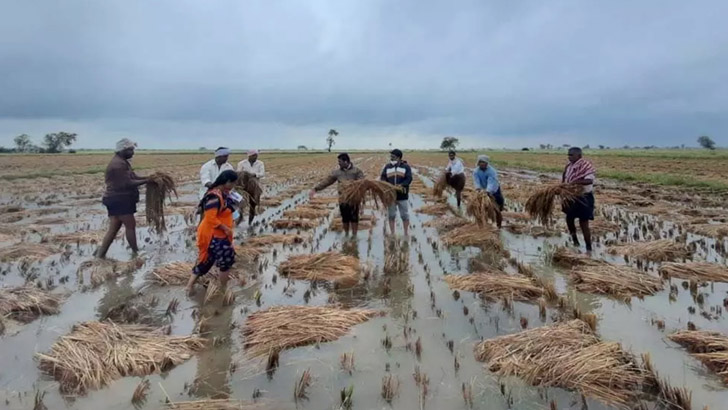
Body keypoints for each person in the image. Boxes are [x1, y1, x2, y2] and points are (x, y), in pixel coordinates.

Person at [186, 170, 240, 295]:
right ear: (226, 182)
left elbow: (231, 208)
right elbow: (210, 218)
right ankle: (223, 289)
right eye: (233, 183)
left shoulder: (224, 193)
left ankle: (189, 286)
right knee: (225, 261)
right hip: (214, 235)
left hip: (220, 234)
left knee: (206, 261)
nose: (234, 185)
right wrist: (225, 228)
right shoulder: (214, 196)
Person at [97, 138, 148, 258]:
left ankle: (100, 254)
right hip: (119, 200)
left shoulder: (123, 162)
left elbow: (134, 177)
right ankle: (136, 253)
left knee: (114, 228)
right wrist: (148, 180)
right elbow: (127, 183)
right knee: (130, 226)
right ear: (123, 150)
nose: (133, 152)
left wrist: (149, 178)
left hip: (117, 200)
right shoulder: (118, 165)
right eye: (130, 150)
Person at [310, 153, 365, 236]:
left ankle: (354, 236)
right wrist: (316, 189)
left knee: (354, 218)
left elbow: (362, 182)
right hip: (343, 199)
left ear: (346, 161)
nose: (338, 163)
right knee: (345, 218)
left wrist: (353, 186)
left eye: (340, 161)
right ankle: (346, 234)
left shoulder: (356, 171)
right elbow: (327, 181)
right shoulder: (337, 172)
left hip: (353, 199)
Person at [562, 147, 596, 252]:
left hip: (584, 198)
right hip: (571, 197)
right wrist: (562, 188)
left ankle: (588, 248)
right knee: (569, 219)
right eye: (568, 155)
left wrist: (574, 182)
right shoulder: (568, 167)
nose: (569, 157)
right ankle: (575, 241)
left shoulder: (586, 166)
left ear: (579, 156)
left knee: (584, 223)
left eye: (572, 155)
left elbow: (589, 181)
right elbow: (564, 179)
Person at [381, 149, 412, 236]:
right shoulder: (387, 167)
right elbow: (383, 178)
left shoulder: (406, 167)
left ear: (398, 157)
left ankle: (406, 233)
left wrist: (401, 185)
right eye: (391, 156)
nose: (391, 158)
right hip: (391, 195)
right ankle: (392, 233)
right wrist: (386, 185)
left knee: (404, 215)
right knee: (391, 215)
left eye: (393, 157)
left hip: (402, 195)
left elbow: (409, 178)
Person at [473, 154, 504, 228]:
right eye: (481, 162)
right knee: (479, 207)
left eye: (484, 162)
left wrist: (488, 191)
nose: (482, 164)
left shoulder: (491, 171)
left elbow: (491, 182)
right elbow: (476, 181)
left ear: (487, 163)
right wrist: (478, 189)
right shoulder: (476, 171)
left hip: (494, 190)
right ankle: (483, 224)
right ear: (478, 163)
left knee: (498, 207)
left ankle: (499, 224)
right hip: (482, 190)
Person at [237, 149, 265, 225]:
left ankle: (250, 221)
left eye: (256, 155)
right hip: (243, 186)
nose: (255, 157)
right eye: (253, 155)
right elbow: (239, 173)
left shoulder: (260, 163)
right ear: (249, 156)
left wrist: (254, 175)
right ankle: (240, 217)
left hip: (255, 185)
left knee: (253, 203)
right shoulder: (242, 163)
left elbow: (262, 173)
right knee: (239, 203)